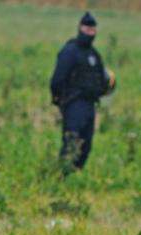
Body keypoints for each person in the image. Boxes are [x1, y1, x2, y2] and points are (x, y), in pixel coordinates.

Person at [50, 12, 114, 172]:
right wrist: (61, 100)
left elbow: (102, 79)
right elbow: (57, 80)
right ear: (80, 28)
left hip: (90, 104)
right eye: (87, 29)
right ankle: (61, 175)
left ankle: (75, 175)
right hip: (74, 103)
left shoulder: (94, 54)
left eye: (93, 30)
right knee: (72, 142)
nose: (90, 33)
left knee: (86, 144)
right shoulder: (70, 51)